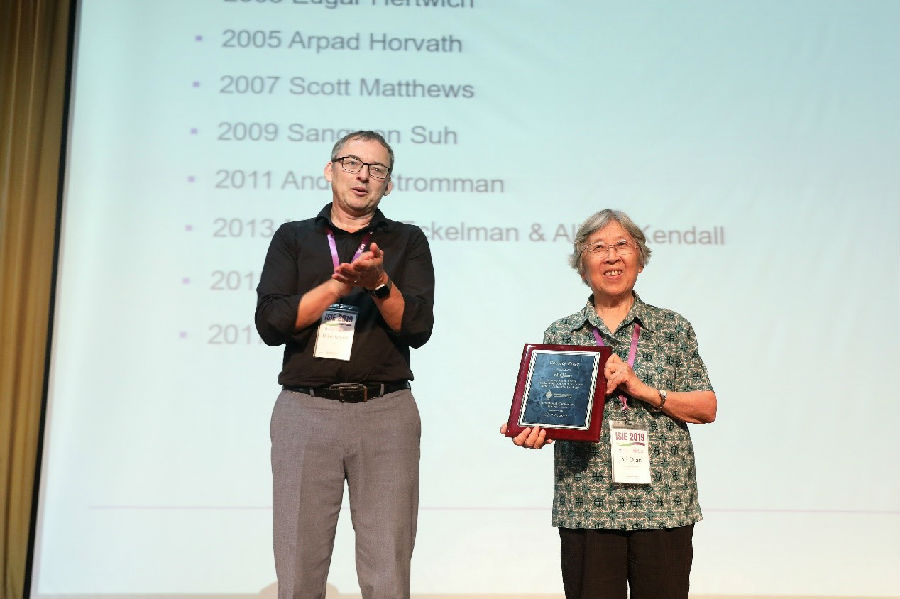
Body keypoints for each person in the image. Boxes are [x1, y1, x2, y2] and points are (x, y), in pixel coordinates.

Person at [255, 130, 435, 599]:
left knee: (388, 567)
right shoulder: (294, 237)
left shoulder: (407, 240)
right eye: (351, 163)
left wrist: (378, 283)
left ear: (388, 184)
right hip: (305, 410)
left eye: (376, 169)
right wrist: (337, 286)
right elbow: (271, 324)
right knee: (298, 565)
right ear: (329, 170)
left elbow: (417, 328)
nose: (362, 175)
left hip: (386, 412)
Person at [501, 209, 716, 599]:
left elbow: (706, 407)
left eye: (622, 245)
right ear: (583, 267)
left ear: (640, 259)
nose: (612, 256)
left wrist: (641, 388)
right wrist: (533, 429)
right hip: (588, 504)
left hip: (663, 504)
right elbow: (551, 411)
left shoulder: (672, 328)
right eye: (598, 248)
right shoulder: (562, 333)